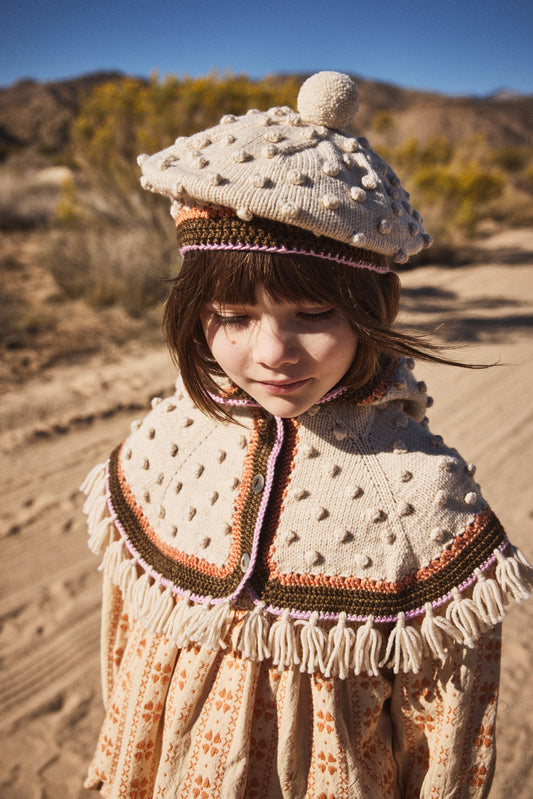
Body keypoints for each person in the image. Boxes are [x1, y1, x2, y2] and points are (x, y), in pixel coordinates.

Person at [81, 71, 532, 798]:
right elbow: (127, 644)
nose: (271, 354)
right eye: (231, 315)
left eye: (313, 314)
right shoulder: (172, 439)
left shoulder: (419, 492)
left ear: (370, 307)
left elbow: (444, 729)